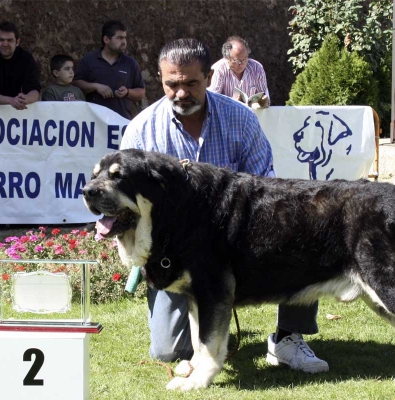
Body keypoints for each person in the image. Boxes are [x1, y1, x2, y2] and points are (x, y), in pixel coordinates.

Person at [120, 38, 328, 373]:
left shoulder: (241, 118)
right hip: (174, 254)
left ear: (209, 77)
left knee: (301, 225)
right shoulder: (141, 132)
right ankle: (203, 335)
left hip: (240, 241)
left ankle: (288, 338)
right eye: (171, 84)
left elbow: (267, 188)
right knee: (168, 351)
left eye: (191, 83)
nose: (181, 93)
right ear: (160, 80)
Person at [73, 20, 145, 119]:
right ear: (106, 39)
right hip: (94, 122)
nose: (124, 42)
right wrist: (95, 86)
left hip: (120, 122)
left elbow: (141, 92)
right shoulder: (89, 60)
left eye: (125, 38)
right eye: (119, 38)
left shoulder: (131, 63)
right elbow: (76, 84)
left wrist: (127, 92)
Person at [208, 36, 270, 108]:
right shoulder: (218, 69)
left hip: (251, 115)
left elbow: (264, 95)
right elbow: (211, 101)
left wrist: (264, 101)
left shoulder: (256, 68)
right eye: (237, 60)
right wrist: (231, 102)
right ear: (227, 58)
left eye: (245, 59)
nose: (241, 63)